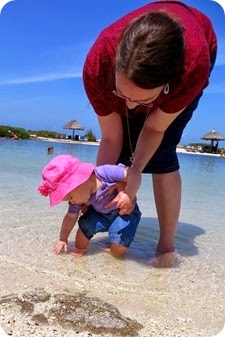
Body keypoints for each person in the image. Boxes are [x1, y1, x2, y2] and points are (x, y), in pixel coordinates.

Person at [82, 1, 217, 267]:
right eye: (122, 94)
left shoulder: (193, 66)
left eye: (142, 101)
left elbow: (155, 127)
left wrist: (135, 173)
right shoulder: (98, 65)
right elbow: (111, 137)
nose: (130, 107)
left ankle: (166, 244)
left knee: (163, 151)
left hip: (198, 48)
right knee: (119, 155)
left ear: (167, 85)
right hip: (117, 68)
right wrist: (96, 193)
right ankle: (110, 222)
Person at [38, 154, 141, 258]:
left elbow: (134, 173)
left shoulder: (104, 173)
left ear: (79, 182)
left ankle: (112, 249)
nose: (72, 202)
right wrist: (63, 238)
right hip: (100, 215)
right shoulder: (78, 199)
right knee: (84, 229)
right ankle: (79, 250)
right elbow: (70, 217)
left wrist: (129, 194)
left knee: (118, 250)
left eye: (70, 197)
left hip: (124, 214)